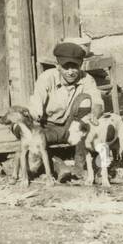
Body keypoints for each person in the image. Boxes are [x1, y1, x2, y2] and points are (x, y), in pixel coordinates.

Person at [27, 41, 105, 180]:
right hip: (47, 127)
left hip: (72, 127)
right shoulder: (47, 77)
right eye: (65, 67)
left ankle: (79, 166)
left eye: (74, 67)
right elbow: (37, 103)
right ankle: (57, 164)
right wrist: (35, 120)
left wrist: (94, 115)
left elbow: (97, 102)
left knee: (85, 99)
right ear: (57, 66)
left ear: (80, 66)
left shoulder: (87, 80)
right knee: (35, 144)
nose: (70, 72)